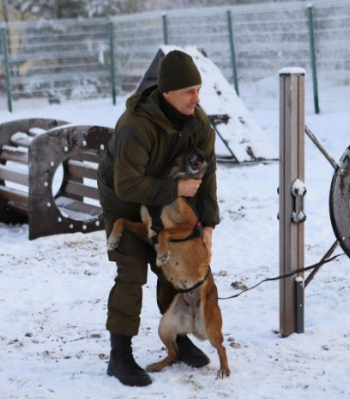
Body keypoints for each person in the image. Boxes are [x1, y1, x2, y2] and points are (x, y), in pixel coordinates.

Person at [97, 50, 220, 387]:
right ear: (167, 93)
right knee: (132, 271)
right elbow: (126, 184)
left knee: (174, 268)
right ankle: (119, 354)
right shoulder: (136, 125)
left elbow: (207, 175)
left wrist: (207, 224)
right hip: (124, 200)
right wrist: (176, 187)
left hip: (168, 199)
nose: (197, 98)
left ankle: (178, 339)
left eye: (198, 89)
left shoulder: (198, 122)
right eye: (189, 92)